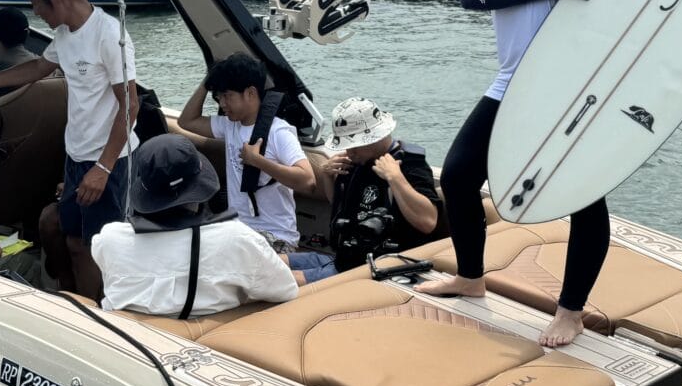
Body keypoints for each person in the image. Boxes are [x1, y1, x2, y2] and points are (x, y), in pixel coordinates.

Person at [420, 0, 622, 348]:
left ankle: (571, 311)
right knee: (458, 177)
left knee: (584, 196)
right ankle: (470, 277)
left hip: (576, 83)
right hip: (513, 77)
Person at [0, 0, 138, 301]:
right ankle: (71, 300)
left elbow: (130, 105)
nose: (36, 13)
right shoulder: (65, 35)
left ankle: (95, 314)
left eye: (36, 3)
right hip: (77, 157)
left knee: (90, 247)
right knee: (68, 237)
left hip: (108, 161)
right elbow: (39, 68)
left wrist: (103, 168)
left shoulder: (108, 34)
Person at [93, 136, 298, 318]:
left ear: (145, 190)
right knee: (313, 265)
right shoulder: (237, 238)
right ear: (201, 186)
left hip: (128, 338)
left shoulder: (110, 238)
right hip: (204, 341)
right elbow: (286, 290)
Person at [287, 96, 441, 283]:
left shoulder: (410, 165)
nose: (349, 152)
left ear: (375, 137)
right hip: (343, 259)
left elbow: (428, 221)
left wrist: (395, 178)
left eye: (353, 146)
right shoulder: (356, 162)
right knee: (269, 262)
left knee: (277, 280)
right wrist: (328, 176)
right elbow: (341, 207)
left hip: (374, 269)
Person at [175, 53, 314, 252]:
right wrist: (209, 80)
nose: (222, 104)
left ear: (250, 93)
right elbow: (186, 121)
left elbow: (308, 181)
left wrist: (258, 161)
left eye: (227, 96)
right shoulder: (230, 125)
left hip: (275, 238)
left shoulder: (278, 132)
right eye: (219, 97)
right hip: (238, 232)